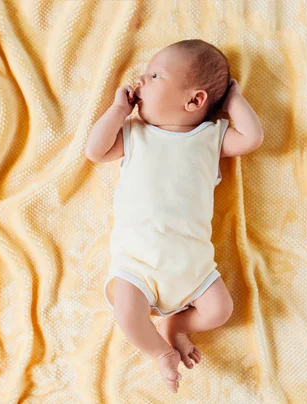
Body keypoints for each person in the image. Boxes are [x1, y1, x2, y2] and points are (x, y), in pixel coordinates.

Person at [85, 39, 264, 393]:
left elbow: (252, 137)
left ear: (195, 101)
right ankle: (159, 351)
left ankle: (176, 325)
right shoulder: (134, 134)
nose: (140, 80)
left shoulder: (211, 138)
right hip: (136, 262)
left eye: (154, 75)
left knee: (220, 310)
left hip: (192, 266)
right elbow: (95, 150)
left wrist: (234, 100)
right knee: (127, 314)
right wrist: (118, 111)